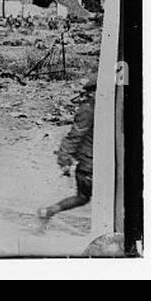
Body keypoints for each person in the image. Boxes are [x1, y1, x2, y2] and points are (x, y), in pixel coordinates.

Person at [37, 76, 96, 228]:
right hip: (90, 164)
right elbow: (74, 136)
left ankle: (48, 211)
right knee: (85, 197)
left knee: (83, 197)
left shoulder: (96, 109)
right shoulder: (89, 110)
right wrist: (64, 158)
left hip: (91, 163)